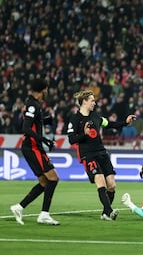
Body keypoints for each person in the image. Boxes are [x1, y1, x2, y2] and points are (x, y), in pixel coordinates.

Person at [67, 90, 136, 220]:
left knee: (112, 185)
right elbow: (71, 139)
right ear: (84, 102)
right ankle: (109, 212)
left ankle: (105, 212)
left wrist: (125, 123)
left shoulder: (96, 116)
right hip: (88, 155)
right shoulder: (75, 119)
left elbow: (109, 124)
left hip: (102, 152)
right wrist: (84, 134)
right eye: (92, 100)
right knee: (100, 181)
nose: (95, 102)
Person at [10, 78, 60, 225]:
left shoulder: (33, 105)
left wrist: (45, 121)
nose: (47, 92)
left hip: (32, 147)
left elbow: (32, 124)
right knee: (53, 178)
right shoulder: (33, 105)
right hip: (32, 147)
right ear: (43, 89)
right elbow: (25, 127)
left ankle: (19, 207)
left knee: (44, 182)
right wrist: (44, 140)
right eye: (46, 89)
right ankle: (44, 214)